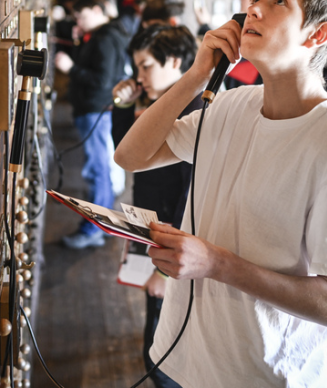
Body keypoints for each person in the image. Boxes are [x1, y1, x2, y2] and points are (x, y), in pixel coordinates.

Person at [114, 0, 327, 387]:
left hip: (260, 374)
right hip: (184, 355)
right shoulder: (233, 105)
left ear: (317, 34)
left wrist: (217, 263)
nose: (254, 9)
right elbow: (130, 155)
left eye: (278, 1)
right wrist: (197, 75)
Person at [111, 24, 201, 388]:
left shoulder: (193, 111)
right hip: (153, 231)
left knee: (163, 357)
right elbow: (127, 153)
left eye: (146, 66)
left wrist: (165, 273)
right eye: (137, 67)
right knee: (156, 338)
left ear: (175, 61)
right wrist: (124, 105)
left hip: (175, 248)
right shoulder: (161, 104)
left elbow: (192, 197)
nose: (139, 76)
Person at [53, 0, 131, 248]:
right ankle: (101, 224)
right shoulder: (102, 35)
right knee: (99, 168)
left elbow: (102, 81)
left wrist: (71, 68)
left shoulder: (105, 38)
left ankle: (93, 229)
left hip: (95, 110)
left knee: (98, 170)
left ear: (97, 11)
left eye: (82, 16)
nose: (78, 22)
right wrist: (79, 43)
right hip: (94, 110)